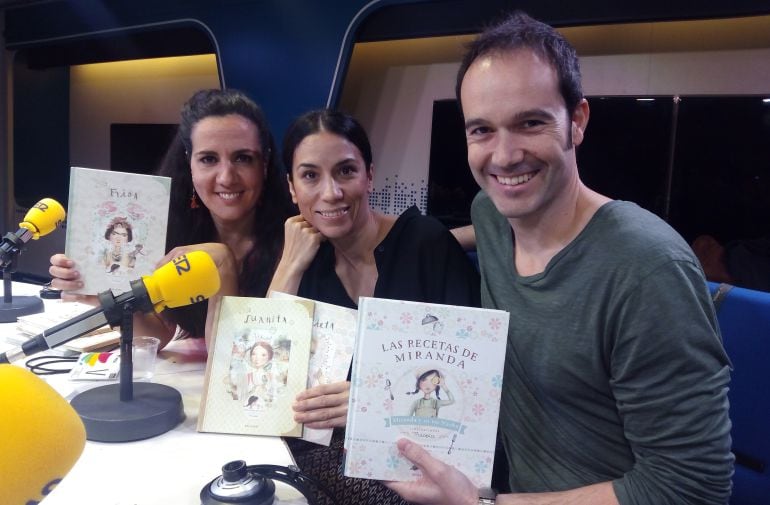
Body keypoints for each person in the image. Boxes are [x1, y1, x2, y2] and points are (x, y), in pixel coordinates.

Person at [386, 11, 733, 505]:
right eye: (481, 130)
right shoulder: (491, 214)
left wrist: (483, 504)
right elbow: (469, 234)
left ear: (578, 121)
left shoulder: (648, 269)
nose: (504, 157)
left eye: (530, 123)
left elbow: (692, 487)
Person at [269, 108, 480, 505]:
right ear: (292, 188)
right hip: (327, 451)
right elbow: (264, 382)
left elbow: (473, 383)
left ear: (370, 174)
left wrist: (371, 402)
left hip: (423, 460)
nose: (330, 192)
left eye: (346, 171)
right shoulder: (308, 259)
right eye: (310, 176)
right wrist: (289, 264)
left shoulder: (427, 245)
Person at [49, 89, 295, 348]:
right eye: (209, 159)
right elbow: (158, 335)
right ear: (189, 163)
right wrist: (106, 296)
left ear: (265, 164)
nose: (226, 177)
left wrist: (221, 263)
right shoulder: (170, 231)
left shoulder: (292, 242)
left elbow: (242, 361)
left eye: (243, 158)